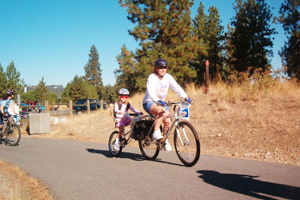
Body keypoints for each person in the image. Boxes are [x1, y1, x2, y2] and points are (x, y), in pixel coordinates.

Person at [142, 58, 191, 151]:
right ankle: (156, 132)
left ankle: (163, 141)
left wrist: (185, 97)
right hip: (149, 102)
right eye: (160, 67)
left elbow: (176, 87)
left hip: (161, 103)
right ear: (156, 68)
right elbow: (150, 92)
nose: (163, 69)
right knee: (162, 110)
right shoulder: (152, 77)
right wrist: (157, 100)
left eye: (165, 67)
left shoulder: (167, 77)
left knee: (168, 121)